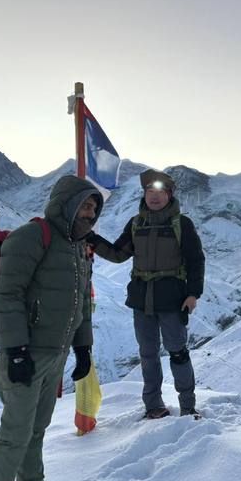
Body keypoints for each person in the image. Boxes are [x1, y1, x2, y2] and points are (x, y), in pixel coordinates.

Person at [0, 175, 103, 481]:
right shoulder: (33, 235)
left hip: (57, 354)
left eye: (93, 208)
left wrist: (82, 349)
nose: (89, 214)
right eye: (84, 206)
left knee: (36, 428)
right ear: (65, 204)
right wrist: (17, 351)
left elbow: (82, 303)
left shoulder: (80, 248)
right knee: (14, 434)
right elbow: (8, 295)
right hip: (25, 353)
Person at [88, 170, 205, 420]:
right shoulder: (136, 223)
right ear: (144, 194)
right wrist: (91, 239)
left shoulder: (181, 224)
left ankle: (188, 404)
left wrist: (193, 294)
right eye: (149, 192)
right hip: (142, 299)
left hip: (172, 298)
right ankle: (153, 405)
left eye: (159, 192)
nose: (154, 197)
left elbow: (196, 260)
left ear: (169, 195)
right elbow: (118, 254)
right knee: (148, 355)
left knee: (178, 352)